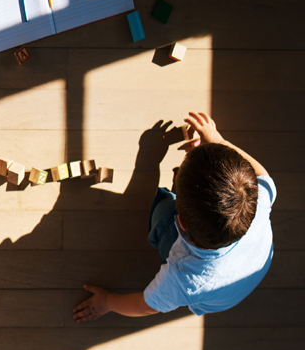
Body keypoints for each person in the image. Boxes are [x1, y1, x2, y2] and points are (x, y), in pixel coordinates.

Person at [73, 111, 276, 322]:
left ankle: (174, 204)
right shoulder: (258, 198)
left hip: (205, 294)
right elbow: (262, 175)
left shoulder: (184, 277)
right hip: (237, 281)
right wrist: (219, 141)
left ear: (181, 222)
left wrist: (106, 302)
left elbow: (144, 306)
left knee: (162, 212)